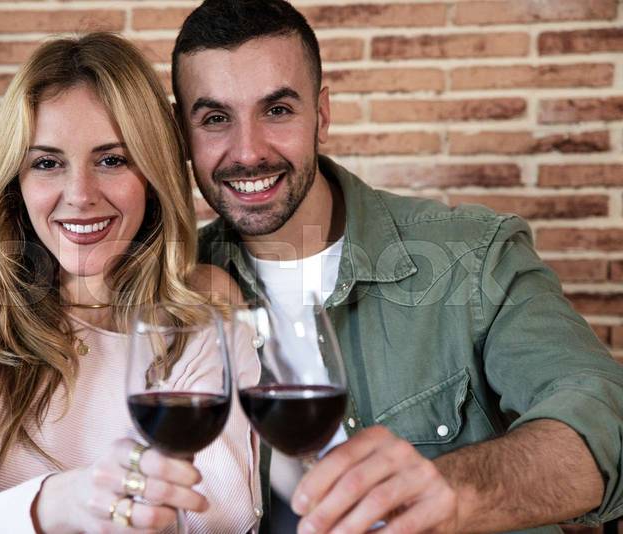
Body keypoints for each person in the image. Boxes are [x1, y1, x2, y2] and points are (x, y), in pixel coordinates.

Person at [171, 1, 623, 532]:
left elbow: (604, 416)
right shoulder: (169, 287)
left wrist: (457, 490)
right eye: (216, 118)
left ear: (321, 113)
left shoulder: (472, 255)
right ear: (182, 133)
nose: (248, 152)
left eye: (277, 110)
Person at [0, 32, 261, 534]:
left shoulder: (201, 322)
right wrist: (55, 504)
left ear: (154, 175)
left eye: (112, 159)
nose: (80, 194)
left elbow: (217, 522)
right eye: (47, 163)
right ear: (16, 183)